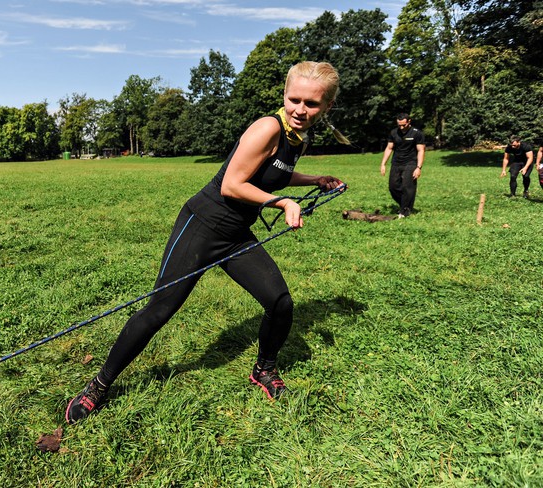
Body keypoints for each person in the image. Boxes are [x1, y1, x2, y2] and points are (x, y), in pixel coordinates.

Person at [65, 61, 348, 424]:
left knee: (280, 303)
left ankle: (264, 369)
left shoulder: (297, 138)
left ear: (327, 106)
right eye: (295, 99)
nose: (300, 109)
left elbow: (273, 173)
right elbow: (233, 184)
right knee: (159, 310)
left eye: (312, 104)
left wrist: (314, 180)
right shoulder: (267, 127)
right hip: (203, 226)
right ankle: (99, 386)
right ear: (284, 95)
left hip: (235, 236)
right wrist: (282, 203)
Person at [379, 113, 425, 217]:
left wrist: (418, 167)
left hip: (411, 163)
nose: (401, 127)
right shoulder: (394, 132)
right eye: (399, 125)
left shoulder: (417, 133)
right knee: (393, 187)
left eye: (403, 125)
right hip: (396, 163)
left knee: (407, 186)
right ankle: (404, 205)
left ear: (409, 121)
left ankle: (405, 210)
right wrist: (383, 164)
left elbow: (421, 150)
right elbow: (389, 148)